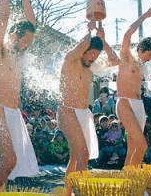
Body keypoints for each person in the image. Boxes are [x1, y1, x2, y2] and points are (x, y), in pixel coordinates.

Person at [0, 0, 39, 191]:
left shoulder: (19, 54)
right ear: (15, 36)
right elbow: (3, 18)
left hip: (13, 113)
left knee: (6, 165)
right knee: (9, 161)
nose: (27, 46)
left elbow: (32, 24)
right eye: (25, 41)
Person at [58, 18, 120, 195]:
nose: (93, 57)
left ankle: (66, 193)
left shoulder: (91, 66)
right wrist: (89, 29)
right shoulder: (70, 59)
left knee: (75, 158)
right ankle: (82, 193)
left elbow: (115, 61)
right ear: (83, 50)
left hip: (83, 113)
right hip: (67, 110)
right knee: (83, 154)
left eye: (96, 55)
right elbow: (83, 43)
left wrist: (103, 40)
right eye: (91, 53)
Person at [116, 1, 151, 167]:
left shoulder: (141, 66)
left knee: (133, 148)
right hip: (125, 102)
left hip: (139, 105)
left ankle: (128, 185)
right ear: (141, 49)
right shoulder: (127, 58)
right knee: (142, 145)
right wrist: (146, 15)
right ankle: (134, 183)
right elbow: (127, 34)